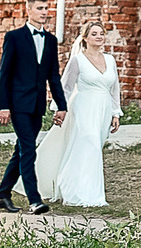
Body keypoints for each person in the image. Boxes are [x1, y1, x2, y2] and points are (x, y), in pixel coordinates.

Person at [0, 0, 68, 213]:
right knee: (28, 150)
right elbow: (4, 75)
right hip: (17, 105)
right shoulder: (14, 37)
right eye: (39, 8)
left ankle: (2, 195)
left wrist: (62, 106)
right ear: (28, 10)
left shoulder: (51, 41)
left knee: (22, 150)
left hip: (37, 105)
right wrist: (4, 106)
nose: (44, 12)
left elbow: (53, 76)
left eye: (46, 8)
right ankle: (35, 201)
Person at [51, 24, 125, 208]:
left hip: (103, 109)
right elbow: (66, 87)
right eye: (94, 34)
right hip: (83, 107)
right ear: (85, 38)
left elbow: (114, 89)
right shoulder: (78, 61)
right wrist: (60, 108)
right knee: (89, 144)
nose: (99, 37)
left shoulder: (110, 60)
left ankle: (78, 186)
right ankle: (84, 196)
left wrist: (116, 113)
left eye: (102, 34)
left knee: (93, 148)